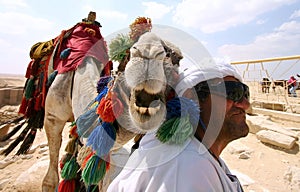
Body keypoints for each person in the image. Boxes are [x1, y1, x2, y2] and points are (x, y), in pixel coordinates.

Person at [107, 61, 250, 192]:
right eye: (233, 92)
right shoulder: (188, 168)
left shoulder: (200, 156)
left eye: (245, 94)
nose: (245, 105)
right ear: (191, 98)